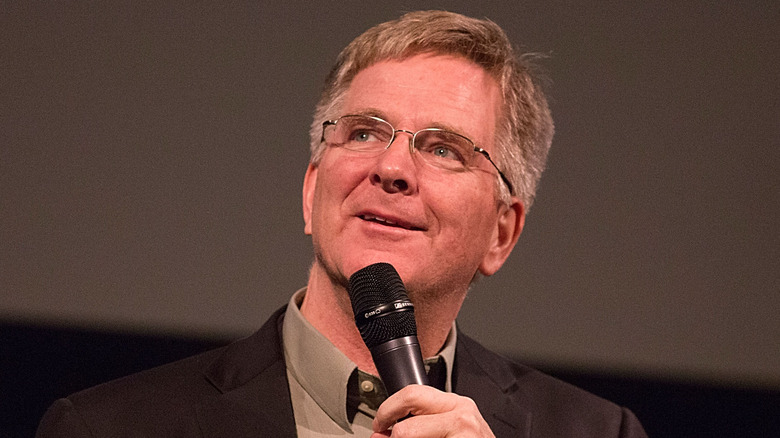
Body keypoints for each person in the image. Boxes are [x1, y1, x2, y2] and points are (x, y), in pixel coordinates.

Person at [37, 10, 647, 437]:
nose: (391, 167)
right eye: (364, 133)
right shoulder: (110, 427)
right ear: (311, 193)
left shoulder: (597, 431)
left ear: (502, 232)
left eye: (443, 149)